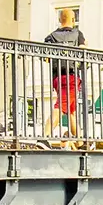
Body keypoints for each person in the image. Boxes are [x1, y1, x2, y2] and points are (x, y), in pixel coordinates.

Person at [44, 9, 85, 141]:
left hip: (57, 78)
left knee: (72, 110)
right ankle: (44, 137)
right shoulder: (78, 34)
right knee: (60, 107)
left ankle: (80, 142)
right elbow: (83, 51)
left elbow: (46, 58)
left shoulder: (50, 37)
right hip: (71, 76)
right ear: (73, 20)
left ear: (60, 20)